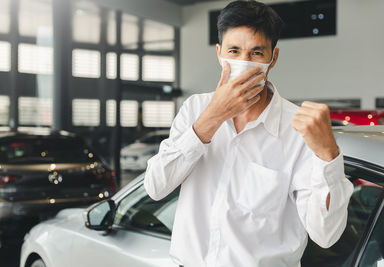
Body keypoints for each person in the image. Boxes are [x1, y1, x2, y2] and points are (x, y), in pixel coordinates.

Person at [144, 1, 354, 266]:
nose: (244, 62)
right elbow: (155, 187)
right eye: (234, 50)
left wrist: (328, 155)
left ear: (272, 58)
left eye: (256, 53)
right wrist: (212, 117)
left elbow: (326, 235)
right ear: (219, 54)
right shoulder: (195, 108)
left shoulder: (297, 129)